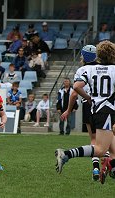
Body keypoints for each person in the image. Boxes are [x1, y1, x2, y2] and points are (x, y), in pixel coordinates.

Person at [55, 41, 115, 184]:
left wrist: (89, 98)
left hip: (96, 109)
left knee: (111, 148)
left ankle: (109, 167)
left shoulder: (88, 69)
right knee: (100, 149)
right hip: (107, 110)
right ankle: (66, 154)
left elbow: (76, 87)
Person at [60, 45, 101, 181]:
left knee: (94, 140)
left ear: (84, 56)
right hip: (106, 105)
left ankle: (96, 167)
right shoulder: (105, 68)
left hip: (88, 105)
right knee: (109, 141)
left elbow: (73, 94)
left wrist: (68, 110)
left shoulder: (82, 70)